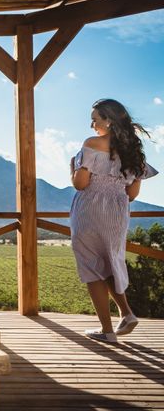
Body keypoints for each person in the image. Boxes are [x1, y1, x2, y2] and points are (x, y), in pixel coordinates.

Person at [70, 99, 158, 343]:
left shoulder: (92, 145)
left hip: (91, 209)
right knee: (109, 260)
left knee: (91, 266)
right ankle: (126, 313)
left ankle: (107, 330)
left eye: (95, 119)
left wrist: (73, 168)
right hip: (118, 213)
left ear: (108, 120)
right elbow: (131, 195)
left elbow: (81, 184)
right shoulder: (133, 152)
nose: (92, 125)